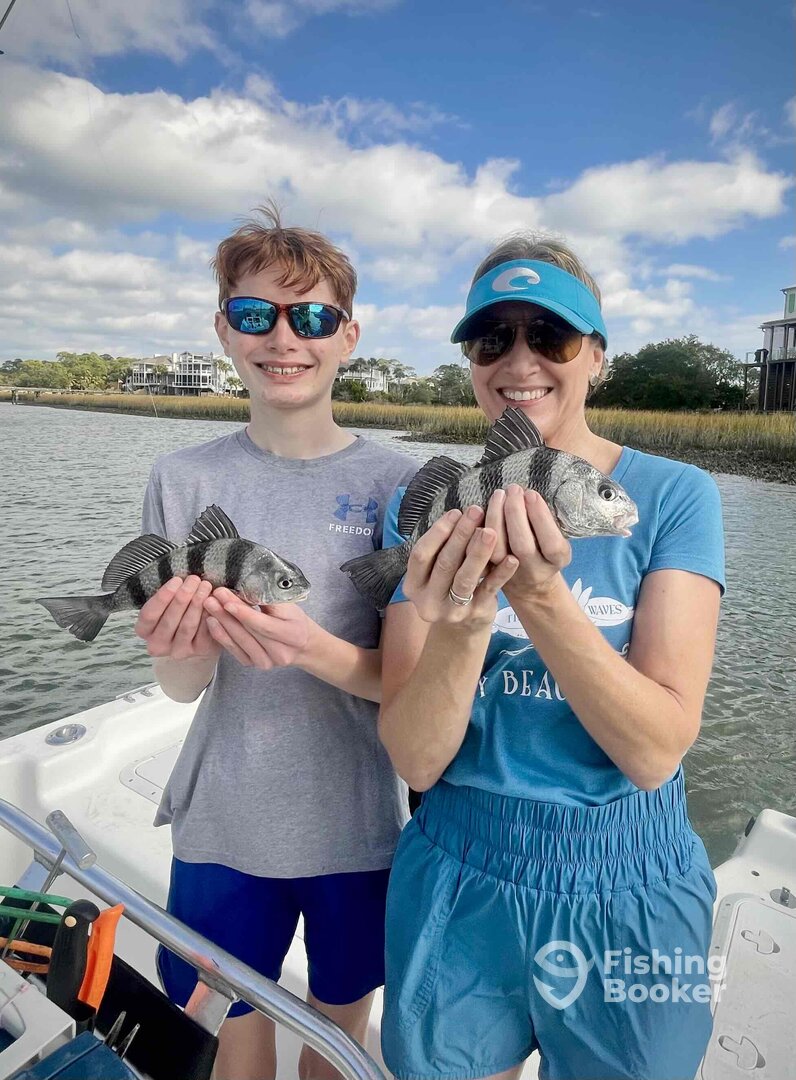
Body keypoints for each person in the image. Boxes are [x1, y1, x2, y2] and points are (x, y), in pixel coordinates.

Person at [378, 235, 724, 1080]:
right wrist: (465, 621)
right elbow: (415, 758)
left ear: (597, 356)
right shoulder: (426, 508)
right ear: (470, 361)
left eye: (551, 336)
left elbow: (655, 751)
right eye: (492, 338)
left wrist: (538, 595)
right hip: (458, 862)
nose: (519, 359)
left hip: (633, 877)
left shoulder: (676, 497)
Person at [134, 206, 417, 1080]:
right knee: (229, 1029)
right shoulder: (181, 478)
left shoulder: (402, 483)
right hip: (223, 821)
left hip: (358, 827)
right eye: (255, 314)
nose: (284, 338)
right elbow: (182, 686)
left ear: (348, 337)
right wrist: (179, 641)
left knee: (338, 1035)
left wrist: (310, 647)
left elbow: (413, 688)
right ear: (225, 330)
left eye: (313, 317)